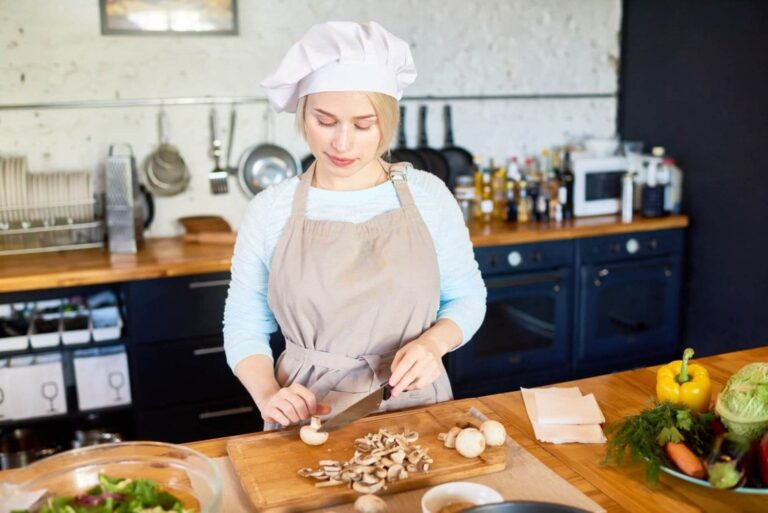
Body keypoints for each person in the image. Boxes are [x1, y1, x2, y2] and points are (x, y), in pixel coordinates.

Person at [223, 21, 486, 430]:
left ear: (388, 120)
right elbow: (244, 324)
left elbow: (467, 297)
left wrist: (434, 345)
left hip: (414, 402)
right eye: (325, 121)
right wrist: (268, 394)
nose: (343, 144)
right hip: (308, 412)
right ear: (302, 114)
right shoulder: (270, 210)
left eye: (364, 125)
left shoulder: (429, 196)